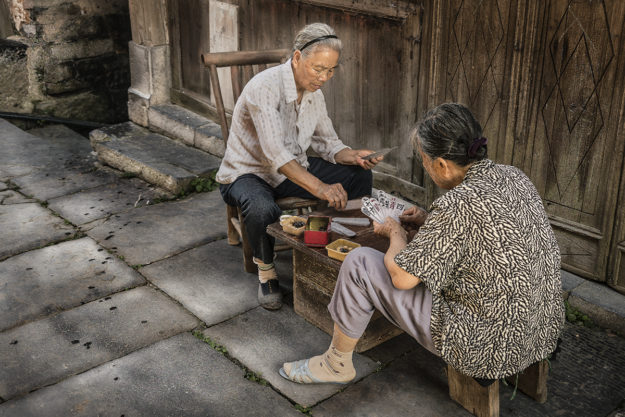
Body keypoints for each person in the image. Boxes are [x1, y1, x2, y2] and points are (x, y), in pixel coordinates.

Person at [279, 102, 565, 384]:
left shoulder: (458, 203)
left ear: (441, 163)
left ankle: (336, 364)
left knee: (359, 263)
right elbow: (485, 234)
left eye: (424, 160)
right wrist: (429, 220)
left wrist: (396, 234)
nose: (426, 167)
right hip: (541, 329)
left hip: (487, 348)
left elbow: (402, 279)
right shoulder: (513, 176)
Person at [217, 23, 383, 311]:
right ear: (297, 58)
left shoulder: (314, 94)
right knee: (262, 208)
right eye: (318, 68)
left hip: (293, 170)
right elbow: (275, 154)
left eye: (330, 70)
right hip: (247, 173)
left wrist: (354, 155)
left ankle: (340, 247)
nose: (323, 77)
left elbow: (327, 144)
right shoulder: (263, 88)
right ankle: (267, 272)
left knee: (359, 174)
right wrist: (320, 187)